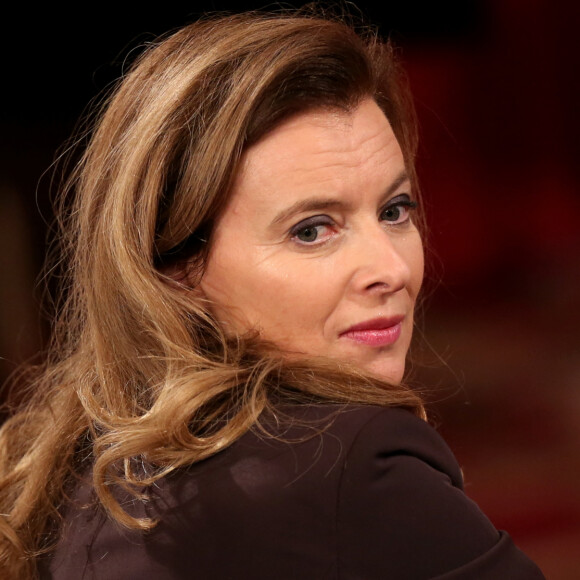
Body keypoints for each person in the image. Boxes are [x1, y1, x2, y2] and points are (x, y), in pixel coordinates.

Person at [0, 8, 546, 579]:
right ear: (175, 266)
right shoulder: (353, 465)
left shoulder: (75, 458)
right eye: (311, 230)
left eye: (394, 210)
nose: (391, 269)